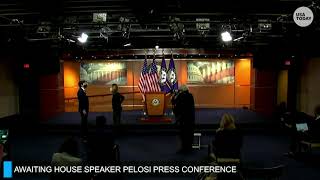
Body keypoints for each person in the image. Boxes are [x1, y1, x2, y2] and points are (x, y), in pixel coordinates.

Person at [172, 85, 195, 153]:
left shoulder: (180, 96)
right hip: (190, 118)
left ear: (181, 90)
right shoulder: (190, 96)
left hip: (183, 119)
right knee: (189, 133)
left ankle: (184, 148)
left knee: (183, 134)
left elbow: (174, 103)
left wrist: (175, 95)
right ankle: (189, 148)